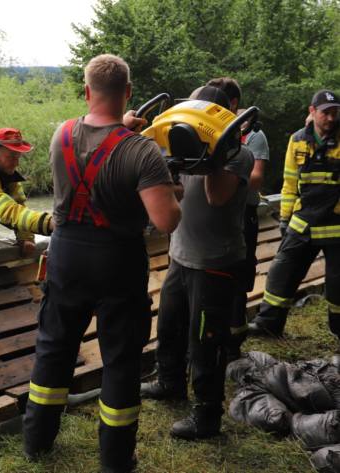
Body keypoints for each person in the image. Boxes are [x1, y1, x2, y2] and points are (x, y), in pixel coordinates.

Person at [22, 53, 181, 473]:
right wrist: (170, 188)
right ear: (128, 92)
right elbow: (165, 220)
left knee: (54, 349)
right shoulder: (142, 152)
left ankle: (36, 441)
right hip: (117, 262)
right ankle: (115, 460)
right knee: (121, 358)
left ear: (87, 90)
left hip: (66, 255)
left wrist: (119, 130)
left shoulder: (62, 133)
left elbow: (96, 142)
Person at [140, 85, 254, 440]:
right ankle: (170, 381)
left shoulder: (239, 153)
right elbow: (173, 191)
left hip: (215, 261)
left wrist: (211, 151)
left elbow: (215, 196)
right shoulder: (183, 147)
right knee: (170, 325)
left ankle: (207, 414)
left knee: (206, 339)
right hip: (181, 255)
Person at [248, 90, 340, 338]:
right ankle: (269, 324)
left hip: (336, 224)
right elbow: (289, 184)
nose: (331, 118)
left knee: (338, 284)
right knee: (281, 273)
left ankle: (338, 329)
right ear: (312, 111)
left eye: (335, 113)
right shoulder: (298, 140)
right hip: (303, 220)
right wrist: (286, 219)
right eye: (325, 113)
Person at [207, 77, 270, 358]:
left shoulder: (253, 135)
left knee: (237, 278)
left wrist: (228, 169)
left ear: (231, 104)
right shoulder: (208, 131)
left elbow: (255, 178)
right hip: (214, 216)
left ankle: (234, 344)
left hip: (243, 214)